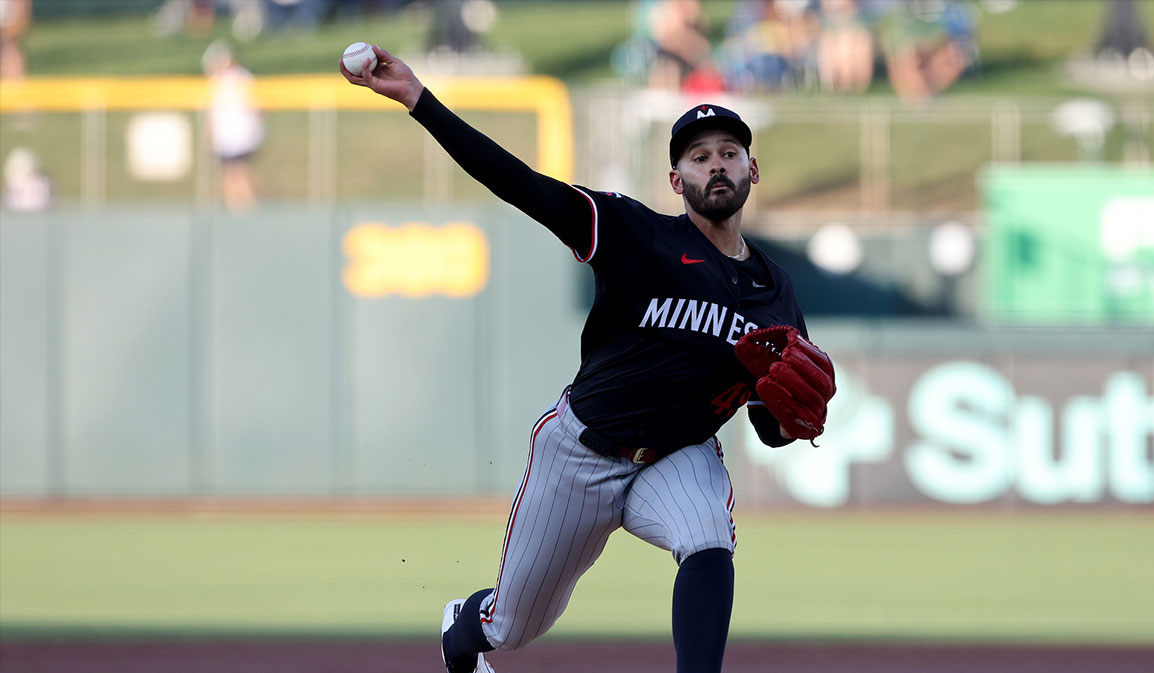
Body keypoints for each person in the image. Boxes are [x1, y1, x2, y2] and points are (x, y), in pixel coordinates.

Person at [341, 45, 834, 673]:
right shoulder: (638, 235)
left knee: (709, 537)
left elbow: (770, 423)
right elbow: (522, 185)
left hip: (678, 454)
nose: (716, 166)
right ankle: (461, 632)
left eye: (729, 154)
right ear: (676, 179)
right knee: (513, 625)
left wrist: (790, 424)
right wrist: (420, 101)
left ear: (752, 171)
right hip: (582, 453)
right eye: (699, 156)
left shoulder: (777, 292)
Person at [202, 41, 264, 214]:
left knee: (239, 174)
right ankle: (237, 212)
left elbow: (257, 106)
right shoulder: (220, 80)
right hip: (227, 137)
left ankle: (247, 212)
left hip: (241, 136)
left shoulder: (241, 78)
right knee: (229, 176)